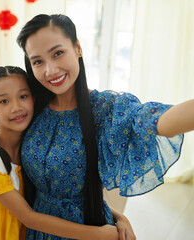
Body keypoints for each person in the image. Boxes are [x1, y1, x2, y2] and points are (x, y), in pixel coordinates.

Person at [13, 13, 194, 240]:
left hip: (91, 231)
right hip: (37, 232)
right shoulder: (29, 105)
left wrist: (116, 217)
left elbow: (156, 120)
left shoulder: (104, 109)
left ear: (78, 48)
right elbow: (0, 153)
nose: (50, 70)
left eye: (57, 53)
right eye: (38, 61)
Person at [0, 65, 135, 240]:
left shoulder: (33, 149)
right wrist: (98, 234)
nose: (16, 107)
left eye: (23, 96)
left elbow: (57, 197)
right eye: (4, 101)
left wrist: (119, 217)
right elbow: (27, 217)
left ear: (33, 98)